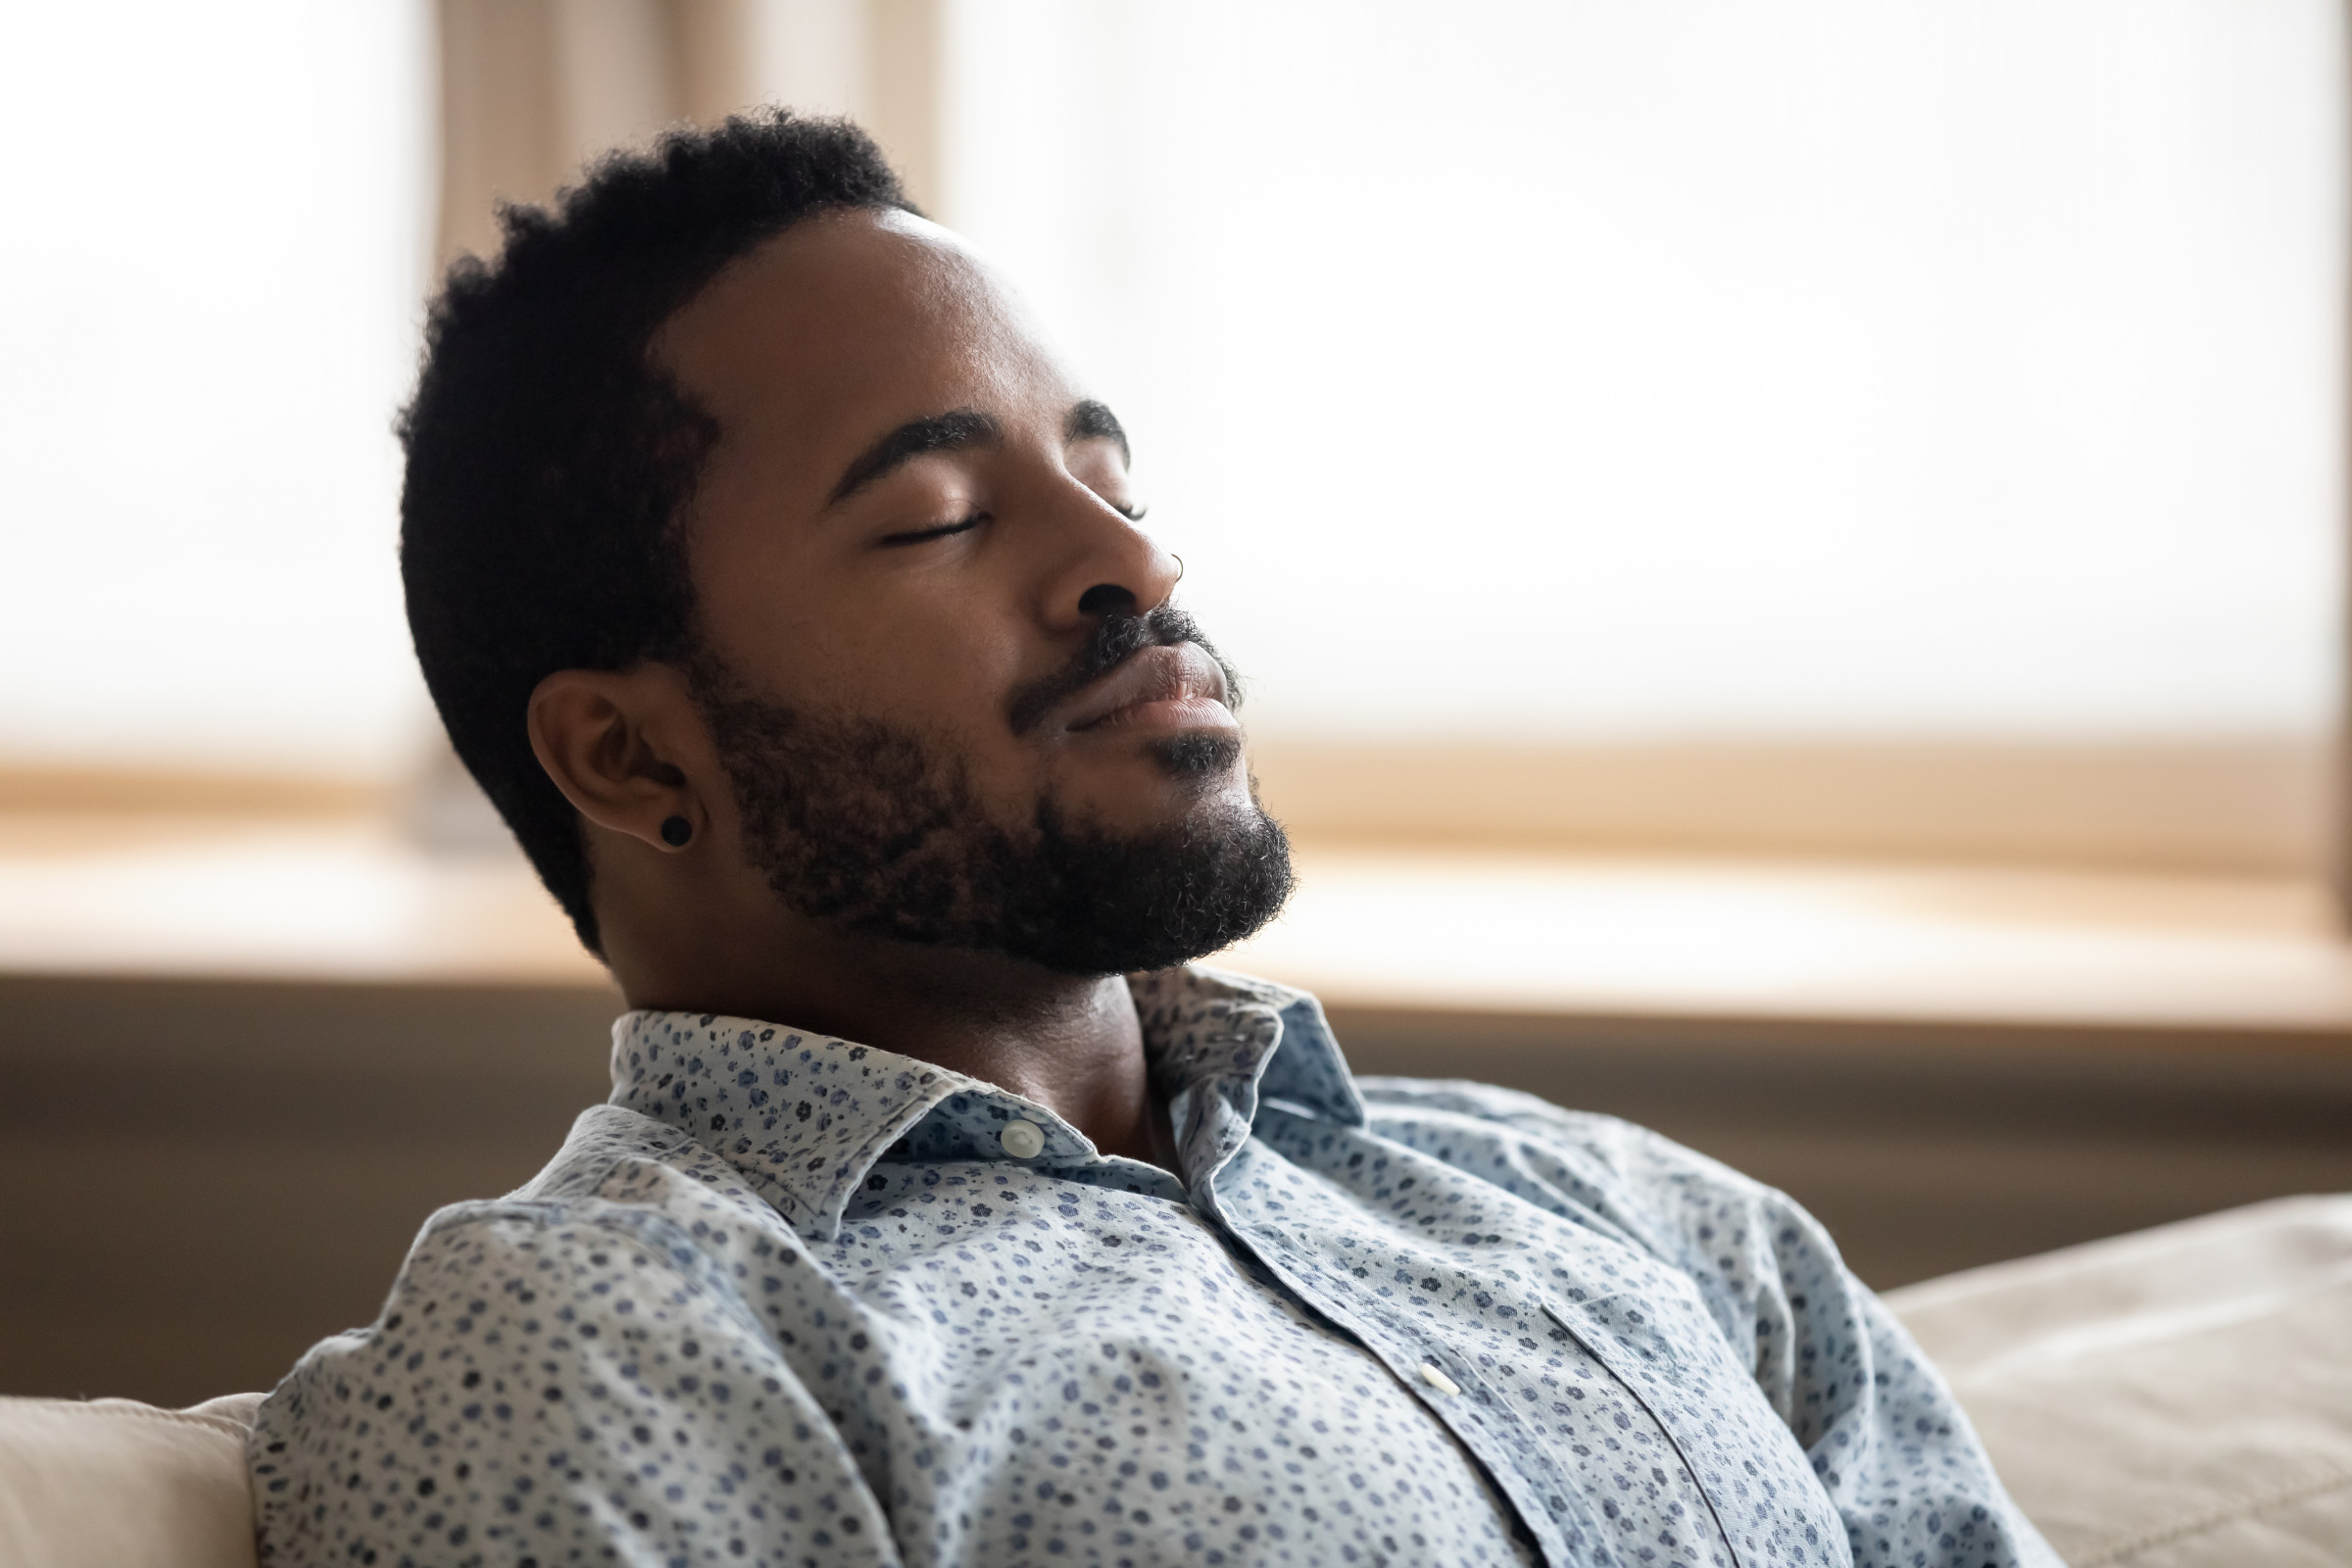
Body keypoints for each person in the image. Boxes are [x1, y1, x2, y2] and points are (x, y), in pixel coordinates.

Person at [249, 112, 2057, 1568]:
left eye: (1116, 485)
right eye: (940, 518)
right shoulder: (589, 1358)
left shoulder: (1622, 1215)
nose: (1138, 566)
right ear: (634, 755)